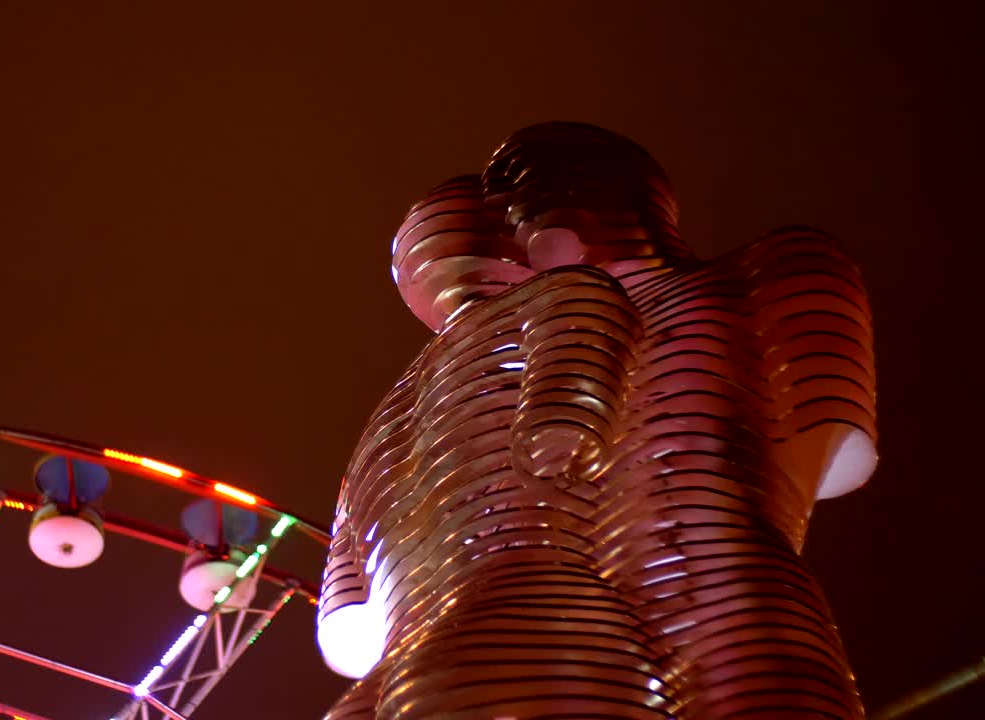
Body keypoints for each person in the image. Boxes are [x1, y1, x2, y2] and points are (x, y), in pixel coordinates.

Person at [317, 122, 877, 719]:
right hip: (599, 605)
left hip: (608, 602)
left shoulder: (767, 272)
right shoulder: (554, 313)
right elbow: (822, 440)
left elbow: (346, 614)